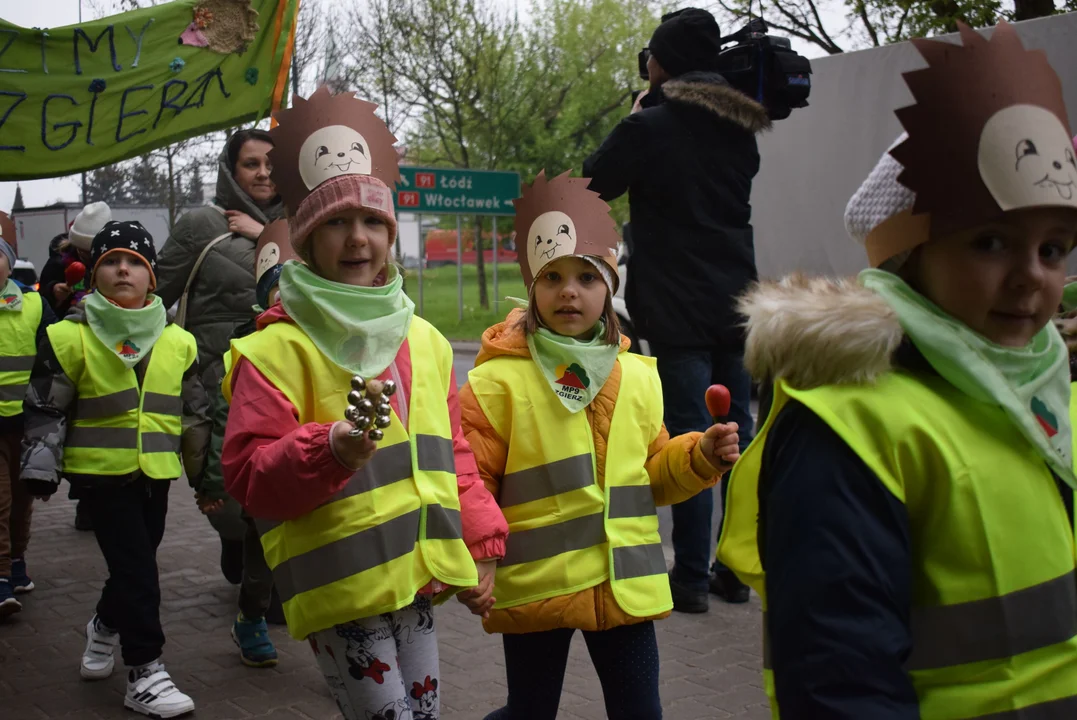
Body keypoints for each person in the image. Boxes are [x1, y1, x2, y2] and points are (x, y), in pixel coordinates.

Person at [717, 21, 1077, 717]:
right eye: (990, 242)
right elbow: (837, 679)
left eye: (1054, 249)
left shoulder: (1048, 393)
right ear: (911, 257)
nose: (1030, 278)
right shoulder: (848, 426)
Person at [220, 86, 508, 720]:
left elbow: (452, 450)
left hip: (415, 576)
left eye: (373, 221)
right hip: (341, 586)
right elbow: (247, 475)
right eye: (335, 223)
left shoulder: (424, 340)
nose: (358, 239)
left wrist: (481, 539)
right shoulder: (274, 351)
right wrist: (331, 449)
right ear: (307, 237)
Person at [461, 171, 740, 719]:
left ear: (610, 289)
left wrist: (699, 456)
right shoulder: (497, 383)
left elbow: (652, 476)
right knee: (530, 712)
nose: (570, 290)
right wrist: (480, 557)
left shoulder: (638, 377)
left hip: (624, 587)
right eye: (553, 277)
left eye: (588, 278)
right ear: (532, 288)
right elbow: (471, 479)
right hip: (539, 584)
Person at [582, 7, 770, 611]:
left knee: (693, 432)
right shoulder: (740, 130)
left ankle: (690, 577)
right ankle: (734, 570)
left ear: (659, 64)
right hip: (738, 298)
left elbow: (594, 181)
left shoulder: (652, 127)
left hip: (677, 305)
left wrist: (637, 116)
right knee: (735, 432)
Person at [19, 220, 208, 717]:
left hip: (157, 471)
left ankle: (104, 626)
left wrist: (207, 476)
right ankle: (145, 670)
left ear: (151, 277)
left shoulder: (177, 341)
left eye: (135, 262)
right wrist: (41, 467)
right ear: (93, 272)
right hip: (100, 474)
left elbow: (195, 414)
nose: (123, 269)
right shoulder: (68, 337)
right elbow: (45, 406)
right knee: (139, 570)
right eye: (111, 260)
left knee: (135, 562)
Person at [155, 128, 284, 587]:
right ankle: (238, 545)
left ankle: (262, 585)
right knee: (228, 495)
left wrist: (268, 235)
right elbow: (154, 297)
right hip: (217, 385)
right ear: (231, 172)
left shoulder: (307, 224)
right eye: (252, 164)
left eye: (272, 162)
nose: (264, 173)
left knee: (281, 478)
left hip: (285, 379)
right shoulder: (200, 226)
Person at [192, 220, 293, 668]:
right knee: (260, 570)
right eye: (278, 287)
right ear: (262, 297)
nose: (289, 295)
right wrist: (213, 484)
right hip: (264, 479)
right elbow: (224, 419)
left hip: (318, 476)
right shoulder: (246, 349)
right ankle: (249, 619)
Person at [38, 202, 112, 533]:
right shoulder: (58, 266)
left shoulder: (114, 261)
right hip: (71, 353)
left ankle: (93, 498)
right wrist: (58, 295)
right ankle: (83, 497)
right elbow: (44, 312)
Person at [0, 218, 56, 619]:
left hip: (24, 423)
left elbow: (54, 358)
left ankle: (17, 561)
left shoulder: (33, 304)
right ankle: (1, 575)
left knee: (22, 501)